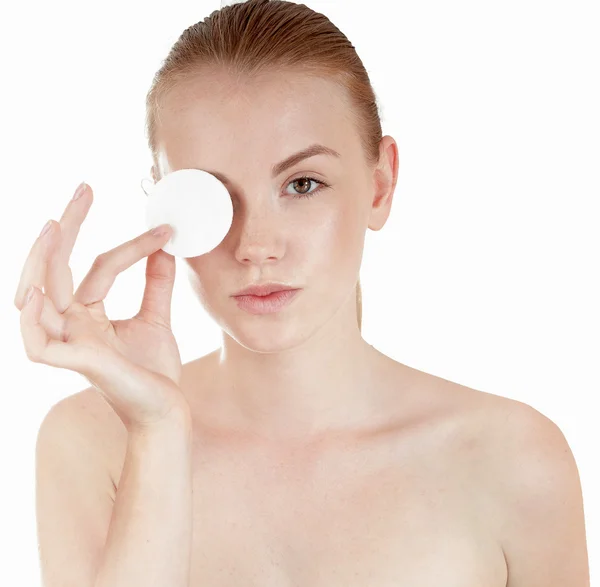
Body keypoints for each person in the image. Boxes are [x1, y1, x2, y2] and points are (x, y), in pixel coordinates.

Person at [17, 1, 589, 586]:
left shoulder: (514, 459)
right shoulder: (93, 443)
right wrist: (157, 434)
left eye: (303, 184)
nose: (255, 246)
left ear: (380, 184)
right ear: (165, 204)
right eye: (211, 196)